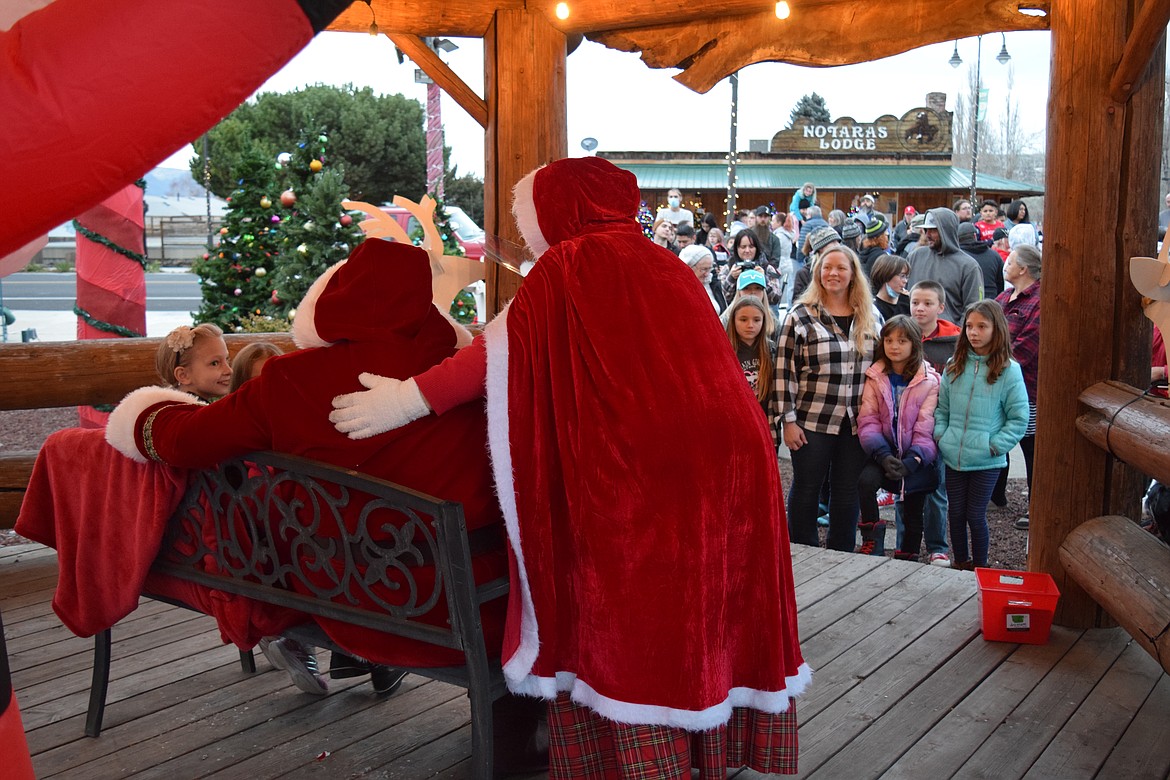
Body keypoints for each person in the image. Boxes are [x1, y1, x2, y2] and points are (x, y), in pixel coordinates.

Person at [329, 157, 808, 775]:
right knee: (710, 597)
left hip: (643, 470)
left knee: (637, 610)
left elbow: (497, 351)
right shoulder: (664, 262)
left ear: (556, 211)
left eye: (526, 215)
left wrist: (405, 399)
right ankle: (708, 746)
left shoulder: (570, 264)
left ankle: (643, 759)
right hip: (733, 454)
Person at [106, 239, 550, 771]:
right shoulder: (461, 374)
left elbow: (183, 440)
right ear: (424, 301)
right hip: (471, 611)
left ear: (335, 299)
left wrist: (145, 411)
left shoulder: (290, 380)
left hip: (345, 601)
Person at [777, 245, 881, 552]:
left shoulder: (870, 314)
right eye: (827, 267)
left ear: (853, 274)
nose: (833, 273)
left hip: (856, 422)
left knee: (846, 490)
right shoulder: (800, 316)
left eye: (840, 268)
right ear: (818, 272)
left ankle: (841, 551)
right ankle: (802, 549)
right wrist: (788, 421)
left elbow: (882, 366)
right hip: (812, 419)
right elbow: (785, 371)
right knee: (807, 487)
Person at [934, 300, 1029, 570]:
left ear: (996, 329)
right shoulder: (955, 364)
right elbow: (942, 408)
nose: (973, 332)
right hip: (954, 455)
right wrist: (943, 435)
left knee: (975, 515)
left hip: (987, 459)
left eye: (981, 326)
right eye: (969, 326)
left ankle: (981, 566)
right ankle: (960, 562)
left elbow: (1019, 417)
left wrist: (995, 445)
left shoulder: (1009, 370)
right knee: (955, 513)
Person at [856, 316, 940, 560]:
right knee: (865, 482)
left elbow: (926, 427)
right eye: (889, 340)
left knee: (914, 508)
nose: (894, 346)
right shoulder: (875, 376)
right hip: (884, 451)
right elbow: (868, 419)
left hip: (915, 457)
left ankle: (909, 554)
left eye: (902, 341)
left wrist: (913, 460)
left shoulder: (930, 381)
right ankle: (873, 539)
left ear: (914, 343)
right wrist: (882, 455)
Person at [909, 280, 960, 567]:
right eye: (915, 302)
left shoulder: (954, 341)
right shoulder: (901, 335)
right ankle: (908, 544)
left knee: (937, 489)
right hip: (906, 427)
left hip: (938, 427)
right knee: (906, 487)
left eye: (927, 303)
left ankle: (938, 546)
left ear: (940, 307)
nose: (920, 308)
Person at [992, 244, 1042, 529]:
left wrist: (994, 364)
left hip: (1028, 387)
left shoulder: (1039, 301)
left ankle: (1036, 507)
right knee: (999, 440)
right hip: (996, 383)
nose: (1005, 265)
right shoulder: (1002, 297)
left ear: (1023, 269)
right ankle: (996, 495)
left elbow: (1027, 347)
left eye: (1010, 261)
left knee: (1031, 447)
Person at [906, 208, 983, 325]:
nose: (928, 235)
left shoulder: (969, 266)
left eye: (933, 230)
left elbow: (974, 307)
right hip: (914, 334)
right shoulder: (915, 257)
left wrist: (957, 336)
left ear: (946, 231)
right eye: (926, 230)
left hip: (949, 338)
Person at [726, 295, 779, 445]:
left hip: (764, 419)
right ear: (733, 321)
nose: (750, 325)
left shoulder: (771, 349)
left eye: (756, 320)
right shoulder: (726, 351)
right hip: (736, 420)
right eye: (743, 319)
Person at [155, 323, 232, 401]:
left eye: (227, 359)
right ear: (183, 375)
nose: (229, 370)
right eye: (214, 363)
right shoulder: (187, 412)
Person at [724, 230, 782, 309]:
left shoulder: (767, 268)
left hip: (763, 311)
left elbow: (776, 298)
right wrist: (731, 278)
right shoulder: (729, 268)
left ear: (757, 248)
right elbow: (722, 299)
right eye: (743, 247)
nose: (747, 251)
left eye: (751, 247)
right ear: (736, 249)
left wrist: (764, 279)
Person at [791, 226, 843, 303]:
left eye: (838, 242)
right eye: (833, 243)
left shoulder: (845, 270)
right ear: (820, 249)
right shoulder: (805, 274)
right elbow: (798, 304)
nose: (837, 246)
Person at [958, 221, 1005, 300]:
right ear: (975, 236)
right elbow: (1001, 284)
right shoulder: (994, 255)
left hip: (965, 304)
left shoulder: (956, 257)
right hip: (992, 303)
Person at [680, 243, 725, 313]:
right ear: (689, 267)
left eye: (709, 269)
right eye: (703, 269)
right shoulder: (680, 289)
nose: (707, 274)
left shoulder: (713, 284)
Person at [871, 254, 911, 320]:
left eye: (907, 277)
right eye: (902, 276)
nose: (905, 281)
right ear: (886, 276)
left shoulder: (907, 302)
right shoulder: (874, 307)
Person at [858, 214, 889, 278]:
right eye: (885, 233)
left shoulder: (863, 252)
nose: (887, 234)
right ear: (878, 237)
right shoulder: (881, 256)